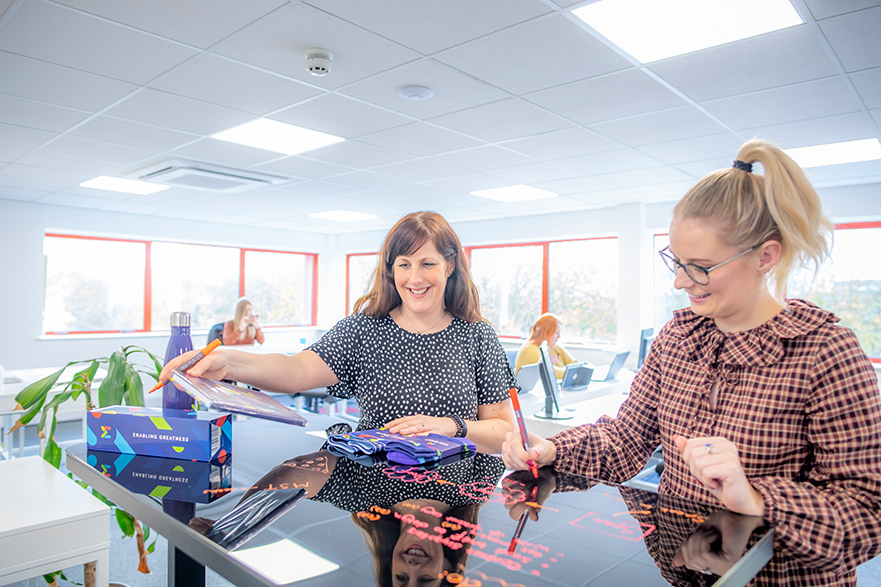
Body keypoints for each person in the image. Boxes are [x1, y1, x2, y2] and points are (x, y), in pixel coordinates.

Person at [501, 139, 881, 585]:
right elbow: (624, 441)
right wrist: (552, 450)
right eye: (677, 262)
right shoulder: (677, 338)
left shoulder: (824, 351)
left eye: (700, 266)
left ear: (765, 256)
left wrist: (756, 497)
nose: (682, 281)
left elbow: (867, 515)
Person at [161, 211, 516, 453]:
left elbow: (503, 432)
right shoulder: (363, 331)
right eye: (404, 265)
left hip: (459, 495)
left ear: (450, 266)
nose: (415, 278)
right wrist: (226, 360)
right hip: (377, 489)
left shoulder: (477, 337)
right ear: (391, 270)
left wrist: (452, 427)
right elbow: (295, 372)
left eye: (428, 264)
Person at [514, 312, 577, 378]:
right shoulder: (529, 349)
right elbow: (550, 373)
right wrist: (573, 372)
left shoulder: (554, 347)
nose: (559, 336)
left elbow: (575, 364)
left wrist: (576, 371)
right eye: (556, 333)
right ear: (546, 333)